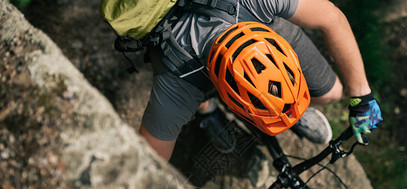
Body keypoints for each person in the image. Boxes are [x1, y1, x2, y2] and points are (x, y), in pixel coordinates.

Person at [138, 0, 383, 161]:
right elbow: (148, 163)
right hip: (190, 64)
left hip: (257, 22)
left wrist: (361, 96)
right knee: (196, 92)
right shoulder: (176, 85)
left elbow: (332, 18)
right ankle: (207, 108)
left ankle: (281, 105)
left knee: (331, 93)